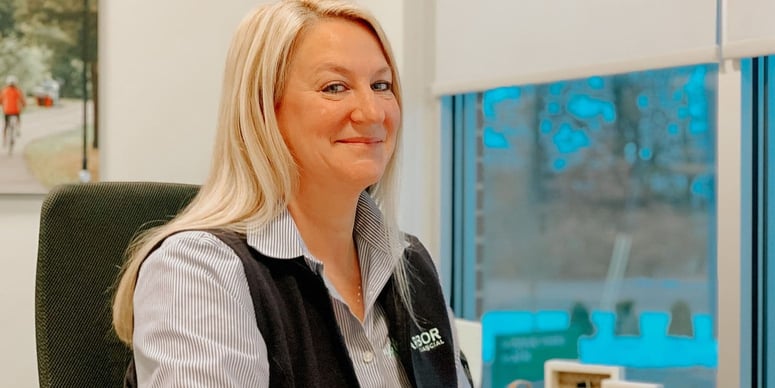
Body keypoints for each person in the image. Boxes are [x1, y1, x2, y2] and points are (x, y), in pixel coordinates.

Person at [112, 0, 473, 386]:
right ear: (265, 109)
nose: (372, 112)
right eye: (335, 87)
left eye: (381, 85)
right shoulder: (197, 273)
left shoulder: (410, 264)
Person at [0, 75, 25, 143]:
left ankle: (4, 140)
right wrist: (24, 105)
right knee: (18, 119)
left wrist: (2, 105)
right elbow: (22, 100)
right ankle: (18, 129)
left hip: (6, 111)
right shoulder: (18, 91)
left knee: (6, 125)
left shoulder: (4, 90)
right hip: (15, 110)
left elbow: (0, 100)